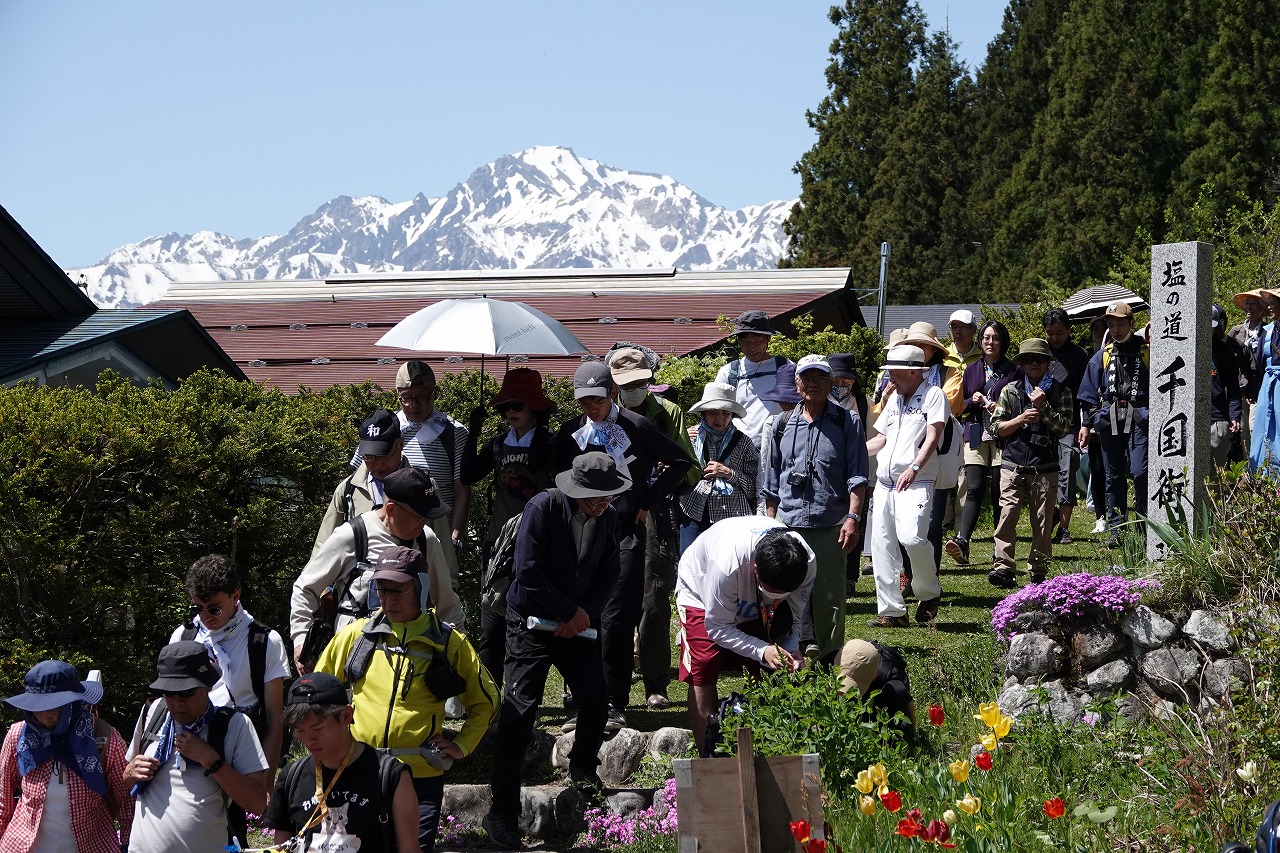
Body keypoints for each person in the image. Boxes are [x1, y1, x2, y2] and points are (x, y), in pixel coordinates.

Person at [483, 452, 630, 851]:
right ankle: (502, 810)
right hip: (529, 621)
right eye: (594, 499)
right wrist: (568, 612)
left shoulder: (609, 518)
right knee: (520, 711)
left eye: (607, 498)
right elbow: (527, 571)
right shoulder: (543, 507)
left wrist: (582, 615)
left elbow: (610, 572)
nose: (602, 505)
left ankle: (583, 767)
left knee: (596, 701)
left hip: (577, 623)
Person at [314, 546, 498, 853]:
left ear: (421, 587)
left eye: (399, 589)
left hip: (419, 776)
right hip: (358, 771)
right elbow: (315, 693)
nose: (389, 599)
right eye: (382, 589)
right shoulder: (356, 635)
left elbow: (486, 701)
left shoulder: (448, 643)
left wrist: (462, 745)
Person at [551, 361, 693, 731]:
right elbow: (553, 472)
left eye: (596, 400)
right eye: (584, 402)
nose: (590, 408)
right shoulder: (572, 432)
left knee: (616, 617)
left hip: (627, 531)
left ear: (612, 393)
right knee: (586, 615)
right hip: (584, 532)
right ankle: (586, 699)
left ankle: (614, 701)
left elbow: (681, 461)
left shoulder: (637, 425)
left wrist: (648, 499)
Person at [291, 467, 463, 673]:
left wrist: (459, 653)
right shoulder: (352, 536)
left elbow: (447, 603)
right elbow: (305, 588)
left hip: (408, 663)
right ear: (391, 509)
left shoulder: (426, 540)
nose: (426, 521)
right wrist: (301, 639)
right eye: (419, 515)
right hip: (352, 658)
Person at [606, 344, 699, 712]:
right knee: (604, 595)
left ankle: (655, 682)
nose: (635, 389)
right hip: (605, 513)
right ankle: (606, 682)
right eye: (627, 384)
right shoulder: (601, 416)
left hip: (653, 515)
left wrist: (658, 481)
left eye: (641, 381)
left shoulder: (667, 413)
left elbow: (689, 468)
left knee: (654, 597)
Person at [673, 516, 815, 755]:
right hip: (700, 590)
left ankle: (770, 749)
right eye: (771, 593)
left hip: (745, 592)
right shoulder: (726, 564)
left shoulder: (806, 561)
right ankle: (707, 758)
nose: (776, 600)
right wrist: (762, 650)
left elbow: (796, 617)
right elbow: (717, 628)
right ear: (756, 570)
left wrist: (790, 647)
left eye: (783, 594)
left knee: (775, 669)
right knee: (704, 664)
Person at [762, 354, 868, 657]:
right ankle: (780, 659)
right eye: (807, 378)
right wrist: (770, 524)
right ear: (797, 384)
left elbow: (858, 475)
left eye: (821, 378)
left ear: (831, 382)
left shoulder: (847, 421)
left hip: (830, 524)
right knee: (781, 595)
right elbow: (771, 479)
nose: (814, 384)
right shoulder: (782, 423)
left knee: (829, 599)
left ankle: (830, 662)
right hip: (788, 524)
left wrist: (852, 518)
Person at [460, 368, 556, 689]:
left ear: (534, 407)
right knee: (491, 625)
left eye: (517, 405)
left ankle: (523, 691)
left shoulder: (550, 444)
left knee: (530, 622)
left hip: (538, 545)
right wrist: (473, 434)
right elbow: (470, 475)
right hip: (498, 544)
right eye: (505, 407)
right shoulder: (498, 445)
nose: (510, 413)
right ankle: (489, 698)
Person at [124, 642, 269, 853]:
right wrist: (129, 773)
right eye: (168, 692)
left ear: (209, 685)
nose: (176, 702)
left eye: (187, 692)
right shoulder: (152, 712)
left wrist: (211, 760)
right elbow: (129, 781)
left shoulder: (234, 725)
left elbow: (257, 803)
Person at [264, 672, 421, 853]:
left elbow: (409, 849)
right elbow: (280, 848)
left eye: (318, 728)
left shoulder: (389, 775)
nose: (309, 740)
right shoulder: (291, 777)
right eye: (300, 730)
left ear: (346, 715)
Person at [169, 554, 289, 783]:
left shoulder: (264, 642)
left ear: (236, 596)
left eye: (214, 609)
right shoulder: (182, 637)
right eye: (197, 609)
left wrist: (266, 783)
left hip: (244, 756)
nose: (205, 617)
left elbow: (275, 720)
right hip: (191, 756)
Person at [353, 361, 470, 585]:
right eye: (407, 398)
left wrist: (455, 538)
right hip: (383, 532)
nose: (414, 405)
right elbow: (360, 480)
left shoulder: (454, 432)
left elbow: (462, 489)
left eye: (422, 397)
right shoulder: (383, 428)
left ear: (435, 393)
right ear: (397, 395)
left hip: (434, 533)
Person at [1, 662, 133, 852]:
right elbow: (3, 799)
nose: (43, 716)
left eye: (51, 708)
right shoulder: (18, 736)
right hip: (24, 846)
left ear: (72, 703)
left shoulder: (102, 738)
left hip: (90, 846)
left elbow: (127, 801)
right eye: (36, 708)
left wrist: (128, 845)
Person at [865, 345, 947, 626]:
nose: (890, 379)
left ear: (914, 371)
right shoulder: (894, 398)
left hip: (916, 480)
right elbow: (880, 440)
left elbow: (933, 437)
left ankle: (928, 591)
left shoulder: (934, 395)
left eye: (895, 373)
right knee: (882, 545)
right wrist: (850, 454)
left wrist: (914, 467)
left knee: (912, 538)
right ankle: (892, 612)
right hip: (885, 483)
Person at [988, 339, 1075, 587]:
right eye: (1028, 360)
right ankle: (1003, 567)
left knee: (1044, 521)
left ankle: (1038, 571)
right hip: (1012, 464)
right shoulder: (1010, 390)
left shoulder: (1061, 391)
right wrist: (1021, 419)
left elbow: (1063, 428)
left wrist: (1043, 407)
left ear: (1048, 362)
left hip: (1045, 467)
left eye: (1038, 359)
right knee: (1007, 515)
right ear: (1022, 364)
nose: (1033, 363)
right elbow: (996, 427)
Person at [1077, 302, 1150, 548]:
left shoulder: (1147, 351)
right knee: (1113, 475)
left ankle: (1144, 526)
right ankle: (1117, 529)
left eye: (1120, 323)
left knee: (1140, 472)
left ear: (1131, 323)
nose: (1116, 329)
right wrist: (1087, 423)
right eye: (1111, 324)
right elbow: (1087, 393)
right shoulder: (1103, 355)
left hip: (1140, 417)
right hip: (1110, 418)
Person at [945, 321, 1015, 566]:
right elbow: (959, 406)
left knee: (999, 492)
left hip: (1003, 436)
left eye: (995, 338)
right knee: (973, 488)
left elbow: (1020, 402)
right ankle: (963, 541)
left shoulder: (1012, 370)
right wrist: (971, 400)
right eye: (986, 338)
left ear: (1002, 341)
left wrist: (1002, 407)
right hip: (975, 432)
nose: (990, 342)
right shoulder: (972, 369)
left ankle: (1001, 549)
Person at [313, 408, 412, 559]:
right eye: (369, 457)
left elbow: (440, 550)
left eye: (383, 456)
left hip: (408, 579)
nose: (377, 465)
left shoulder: (423, 487)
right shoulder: (348, 490)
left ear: (400, 444)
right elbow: (323, 546)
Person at [678, 381, 759, 550]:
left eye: (726, 413)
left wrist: (729, 473)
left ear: (732, 415)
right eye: (713, 412)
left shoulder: (744, 443)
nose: (720, 419)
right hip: (694, 511)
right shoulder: (690, 438)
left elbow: (753, 488)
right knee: (690, 563)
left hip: (734, 515)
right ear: (704, 414)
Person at [1042, 308, 1092, 543]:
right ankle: (1047, 519)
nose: (1055, 338)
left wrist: (1085, 424)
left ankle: (1064, 527)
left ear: (1069, 330)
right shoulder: (1039, 352)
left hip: (1069, 423)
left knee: (1066, 472)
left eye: (1060, 332)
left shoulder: (1079, 355)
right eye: (1050, 333)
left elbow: (1085, 393)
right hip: (1039, 423)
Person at [715, 310, 794, 450]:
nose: (752, 348)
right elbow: (715, 409)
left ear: (768, 339)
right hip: (738, 449)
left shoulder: (785, 367)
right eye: (746, 342)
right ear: (739, 342)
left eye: (758, 341)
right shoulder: (729, 372)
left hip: (779, 447)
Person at [836, 639, 916, 740]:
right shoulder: (833, 659)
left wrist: (914, 733)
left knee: (900, 732)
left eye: (856, 683)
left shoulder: (891, 685)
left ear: (876, 675)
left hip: (882, 703)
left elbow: (908, 703)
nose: (844, 693)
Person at [755, 362, 802, 515]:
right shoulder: (774, 423)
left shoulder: (826, 421)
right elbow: (766, 469)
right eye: (782, 400)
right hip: (783, 504)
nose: (786, 404)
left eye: (791, 399)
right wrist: (765, 509)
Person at [1229, 289, 1267, 456]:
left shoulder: (1268, 331)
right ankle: (1247, 470)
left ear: (1262, 308)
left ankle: (1260, 469)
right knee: (1243, 431)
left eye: (1254, 304)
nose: (1249, 308)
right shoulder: (1236, 331)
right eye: (1247, 304)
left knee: (1255, 428)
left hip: (1260, 388)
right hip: (1238, 389)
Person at [1210, 305, 1244, 470]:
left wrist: (1234, 416)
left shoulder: (1225, 352)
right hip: (1187, 421)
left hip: (1219, 420)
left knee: (1217, 475)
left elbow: (1233, 389)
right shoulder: (1180, 352)